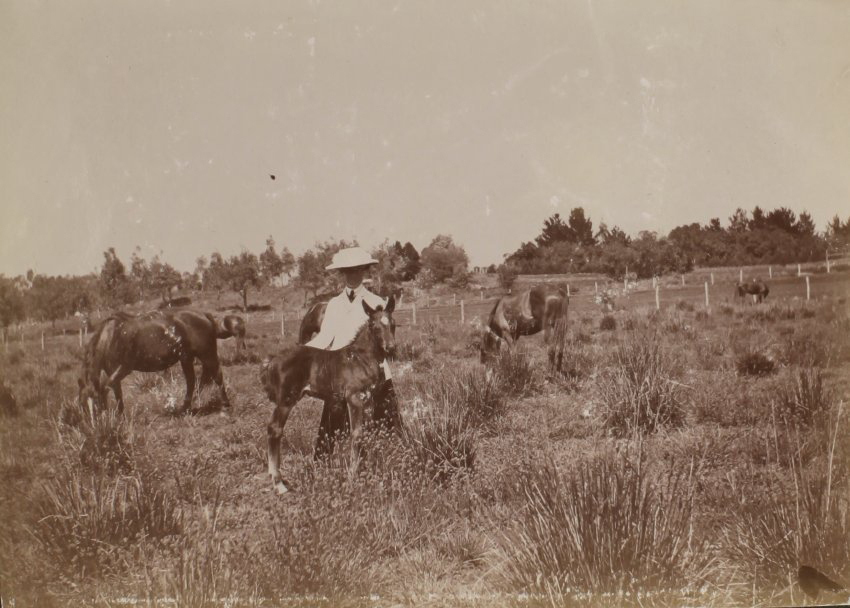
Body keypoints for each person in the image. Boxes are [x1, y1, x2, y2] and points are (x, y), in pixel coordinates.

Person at [306, 246, 400, 456]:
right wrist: (300, 355)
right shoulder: (334, 304)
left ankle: (378, 464)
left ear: (365, 270)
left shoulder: (376, 303)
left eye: (357, 270)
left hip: (372, 374)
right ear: (342, 273)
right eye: (348, 271)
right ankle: (328, 465)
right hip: (340, 374)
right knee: (329, 438)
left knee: (384, 431)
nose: (353, 275)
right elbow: (324, 338)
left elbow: (385, 340)